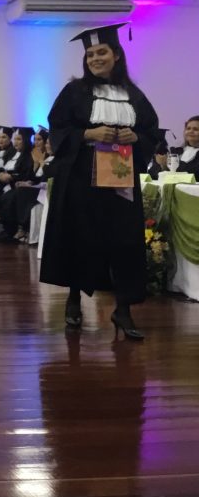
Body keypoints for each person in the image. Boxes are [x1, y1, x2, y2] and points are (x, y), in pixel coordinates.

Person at [40, 23, 160, 340]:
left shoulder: (134, 95)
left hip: (121, 180)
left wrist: (136, 137)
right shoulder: (74, 92)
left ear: (116, 55)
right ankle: (73, 299)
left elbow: (151, 130)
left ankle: (123, 310)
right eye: (90, 54)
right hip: (80, 178)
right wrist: (87, 133)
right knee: (79, 237)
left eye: (101, 52)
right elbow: (57, 128)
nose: (95, 59)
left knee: (124, 241)